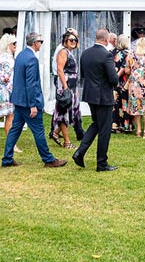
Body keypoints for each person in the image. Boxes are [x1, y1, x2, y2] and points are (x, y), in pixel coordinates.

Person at [1, 33, 67, 168]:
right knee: (38, 131)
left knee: (15, 130)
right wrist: (33, 105)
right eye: (40, 41)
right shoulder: (32, 59)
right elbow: (31, 84)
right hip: (28, 101)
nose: (41, 44)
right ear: (35, 43)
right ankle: (48, 159)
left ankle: (7, 158)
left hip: (19, 100)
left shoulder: (20, 55)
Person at [73, 28, 119, 172]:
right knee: (104, 129)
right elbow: (114, 79)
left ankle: (80, 151)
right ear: (106, 40)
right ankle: (101, 163)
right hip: (104, 95)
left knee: (96, 124)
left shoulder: (85, 53)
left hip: (90, 94)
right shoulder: (106, 55)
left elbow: (84, 74)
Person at [51, 30, 81, 149]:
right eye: (71, 40)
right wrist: (65, 87)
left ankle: (56, 133)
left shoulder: (69, 52)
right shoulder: (63, 52)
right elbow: (59, 70)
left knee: (70, 112)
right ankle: (67, 142)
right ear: (65, 41)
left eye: (75, 40)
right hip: (66, 86)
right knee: (64, 113)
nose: (73, 42)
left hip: (72, 86)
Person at [112, 34, 132, 133]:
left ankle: (114, 125)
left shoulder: (111, 52)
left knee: (115, 104)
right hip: (123, 82)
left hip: (113, 82)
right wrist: (117, 77)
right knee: (125, 103)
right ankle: (126, 126)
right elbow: (124, 68)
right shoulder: (127, 53)